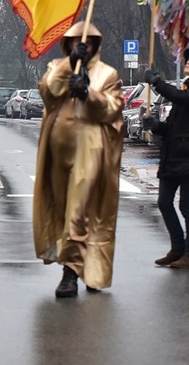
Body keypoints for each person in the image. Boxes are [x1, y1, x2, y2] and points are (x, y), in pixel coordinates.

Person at [33, 22, 125, 298]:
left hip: (90, 149)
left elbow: (112, 108)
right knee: (62, 209)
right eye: (72, 43)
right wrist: (68, 65)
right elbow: (48, 91)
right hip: (58, 151)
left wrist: (88, 94)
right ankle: (85, 265)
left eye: (83, 43)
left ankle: (70, 272)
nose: (78, 46)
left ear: (95, 44)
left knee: (79, 209)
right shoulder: (56, 67)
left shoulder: (107, 73)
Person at [142, 50, 189, 269]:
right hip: (173, 157)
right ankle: (177, 248)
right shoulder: (187, 89)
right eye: (188, 60)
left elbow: (181, 98)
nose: (188, 62)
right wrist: (155, 125)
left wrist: (156, 82)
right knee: (164, 202)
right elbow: (172, 127)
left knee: (187, 206)